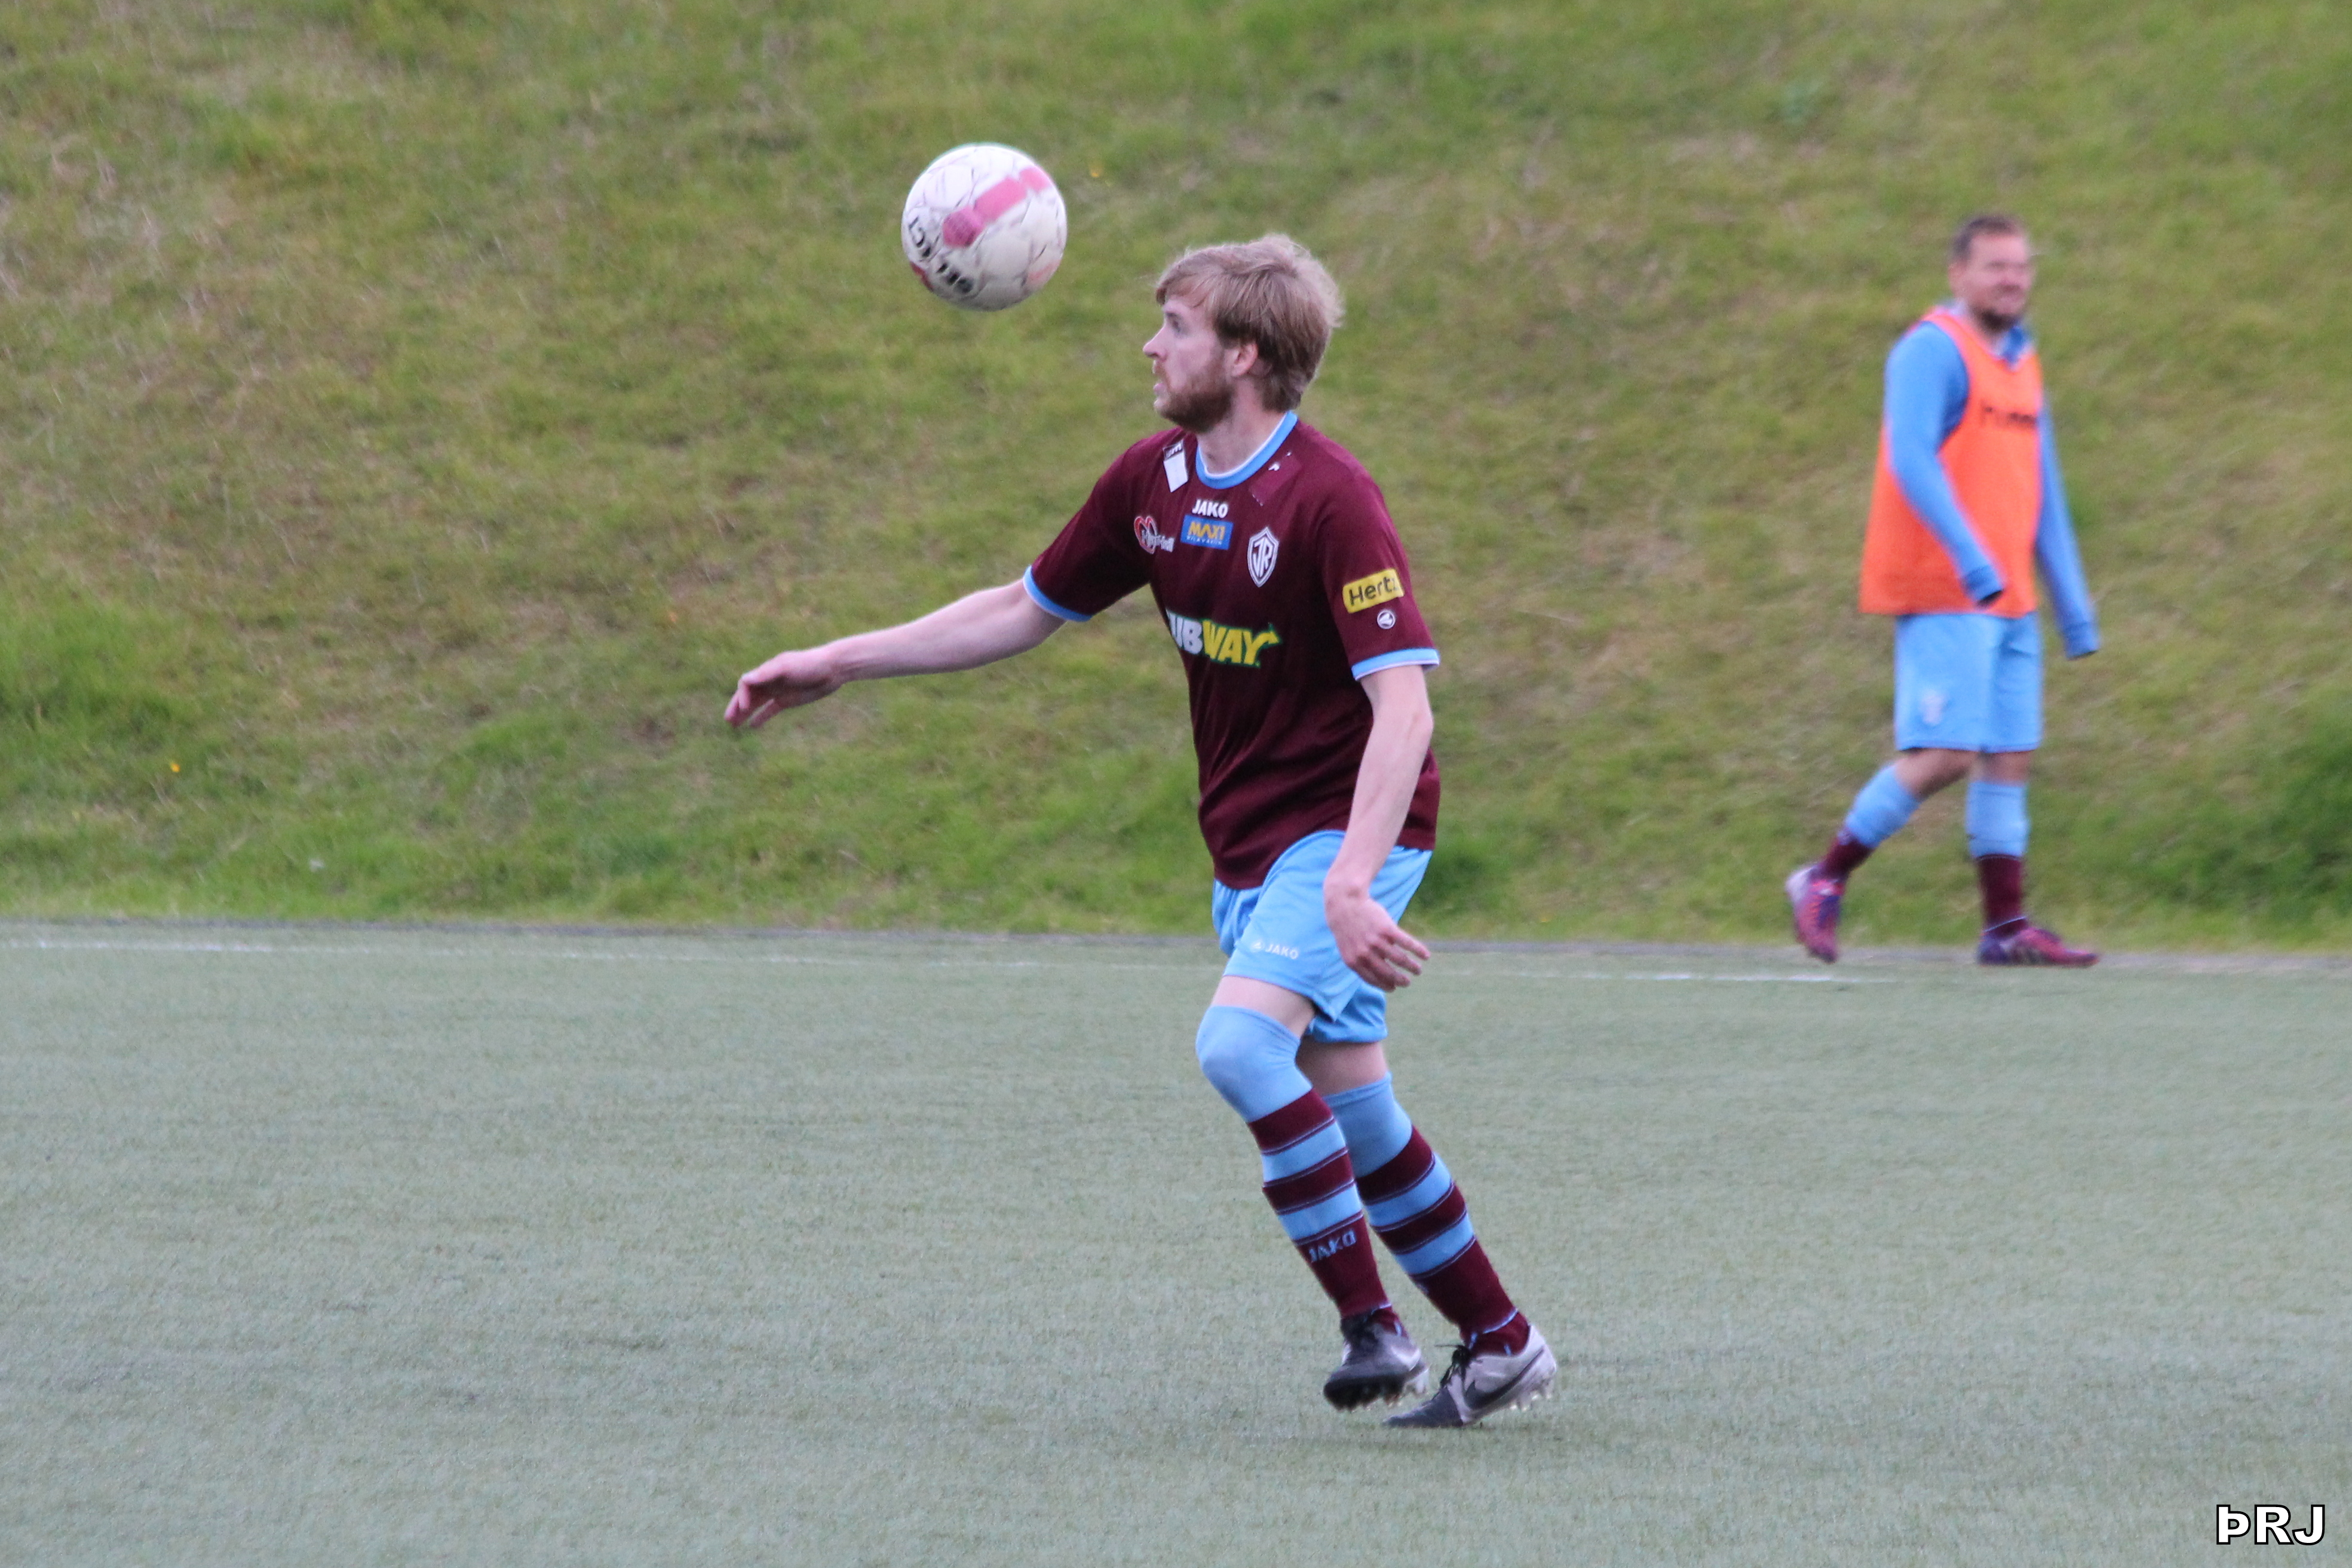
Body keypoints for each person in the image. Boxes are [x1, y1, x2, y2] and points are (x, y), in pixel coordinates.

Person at [727, 236, 1553, 1427]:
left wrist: (1352, 880)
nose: (1150, 346)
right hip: (1249, 841)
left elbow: (1405, 707)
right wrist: (838, 661)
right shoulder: (1151, 484)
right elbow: (1023, 607)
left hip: (1344, 835)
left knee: (1239, 1048)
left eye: (1176, 325)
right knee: (1356, 1109)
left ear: (1245, 354)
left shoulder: (1329, 499)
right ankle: (1501, 1342)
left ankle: (1372, 1327)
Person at [1787, 214, 2101, 966]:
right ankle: (1823, 878)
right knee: (1947, 754)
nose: (2012, 280)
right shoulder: (1930, 349)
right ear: (1958, 273)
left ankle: (2004, 927)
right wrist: (1971, 558)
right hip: (1947, 587)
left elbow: (2044, 487)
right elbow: (1910, 457)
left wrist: (2073, 605)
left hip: (2012, 598)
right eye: (1996, 266)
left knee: (2010, 755)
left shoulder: (2022, 359)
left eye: (2021, 266)